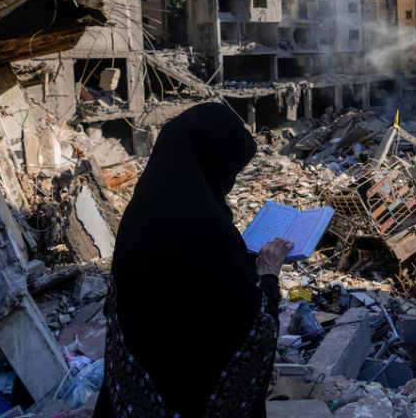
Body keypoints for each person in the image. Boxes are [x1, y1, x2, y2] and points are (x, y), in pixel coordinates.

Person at [94, 103, 291, 418]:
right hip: (187, 400)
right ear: (212, 163)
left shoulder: (139, 212)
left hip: (131, 400)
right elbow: (252, 331)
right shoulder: (209, 231)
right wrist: (267, 276)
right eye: (229, 171)